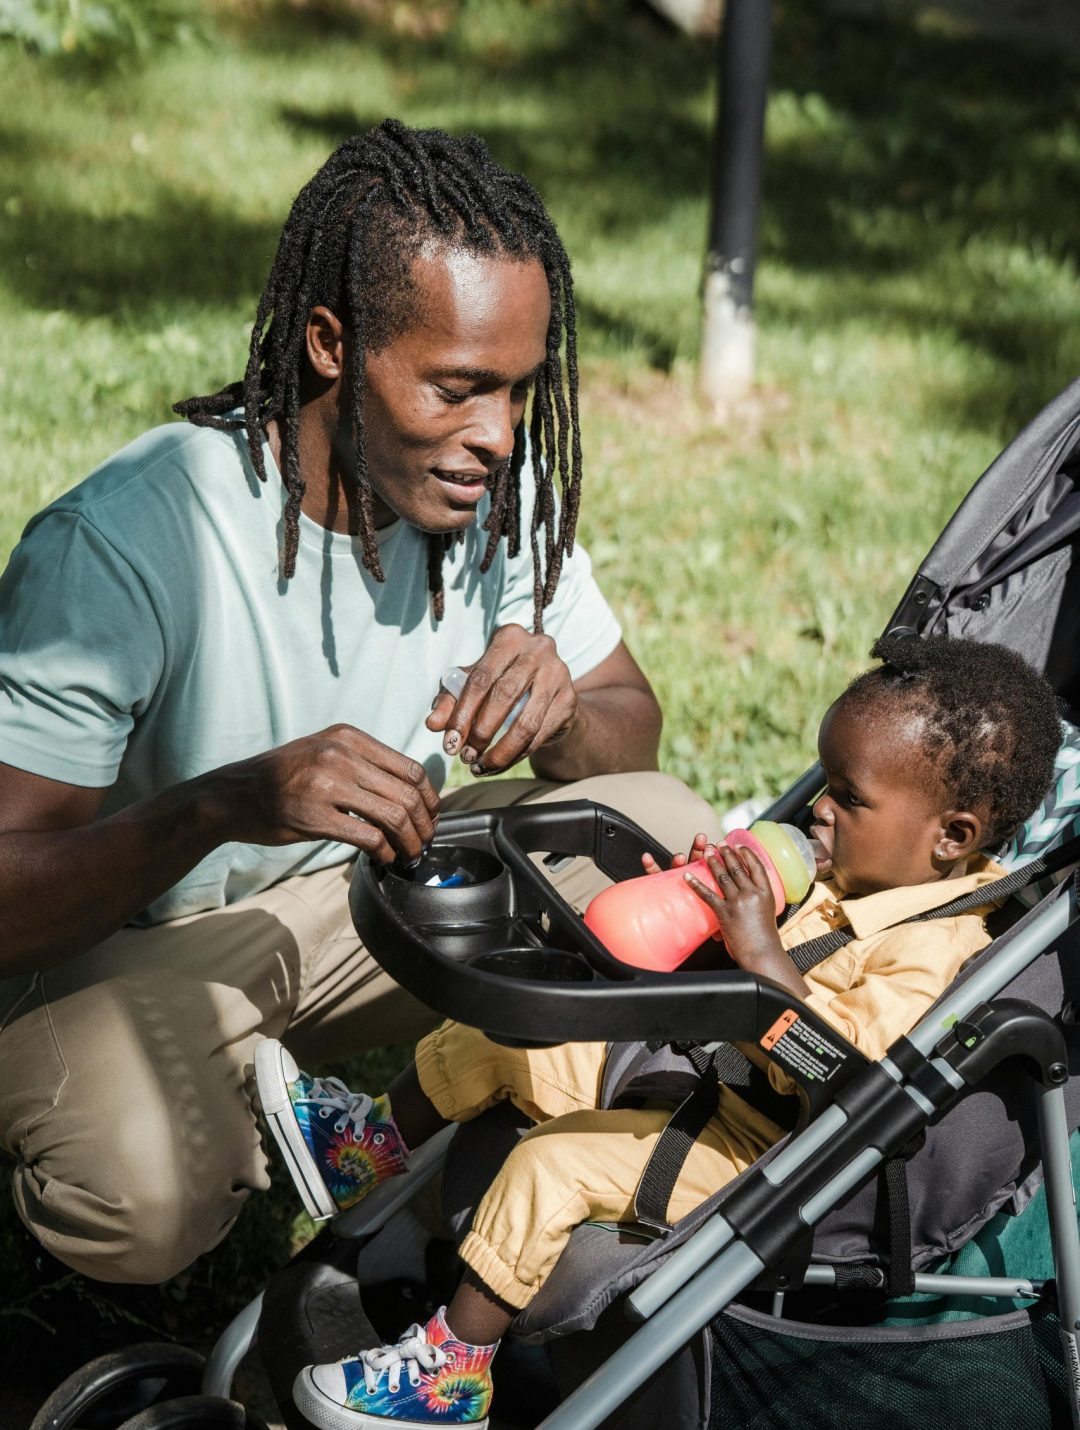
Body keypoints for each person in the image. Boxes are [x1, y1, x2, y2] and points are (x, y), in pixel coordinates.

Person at [0, 119, 723, 1285]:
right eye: (457, 386)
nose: (496, 433)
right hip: (112, 953)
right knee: (135, 1196)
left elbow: (627, 723)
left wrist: (564, 712)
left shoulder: (487, 483)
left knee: (668, 835)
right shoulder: (133, 541)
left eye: (519, 391)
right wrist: (223, 804)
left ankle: (383, 1129)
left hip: (368, 905)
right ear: (332, 344)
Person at [254, 633, 1061, 1430]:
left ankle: (449, 1376)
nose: (818, 807)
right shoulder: (854, 870)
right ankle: (364, 1146)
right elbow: (714, 977)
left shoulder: (936, 947)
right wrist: (693, 900)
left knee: (551, 1166)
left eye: (848, 798)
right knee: (505, 1036)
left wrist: (758, 950)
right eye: (824, 779)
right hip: (703, 1077)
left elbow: (836, 1069)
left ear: (951, 837)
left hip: (766, 1154)